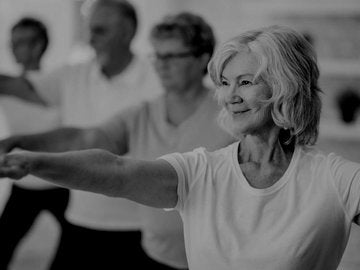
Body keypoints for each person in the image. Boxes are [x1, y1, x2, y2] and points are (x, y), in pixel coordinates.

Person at [2, 25, 359, 270]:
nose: (230, 96)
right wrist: (33, 161)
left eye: (246, 82)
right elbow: (117, 171)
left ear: (286, 87)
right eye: (225, 83)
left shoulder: (335, 178)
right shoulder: (201, 171)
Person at [0, 12, 234, 269]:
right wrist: (21, 144)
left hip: (215, 259)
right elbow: (87, 138)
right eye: (157, 55)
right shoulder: (142, 113)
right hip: (157, 254)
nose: (161, 64)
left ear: (202, 59)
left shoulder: (231, 113)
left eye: (172, 56)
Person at [1, 0, 162, 269]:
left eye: (100, 31)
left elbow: (90, 140)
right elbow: (19, 86)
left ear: (127, 32)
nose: (91, 40)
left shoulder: (156, 80)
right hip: (82, 219)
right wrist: (17, 143)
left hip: (138, 225)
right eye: (90, 30)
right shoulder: (73, 76)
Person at [0, 17, 67, 270]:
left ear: (38, 46)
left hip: (61, 182)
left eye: (20, 42)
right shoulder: (6, 86)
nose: (12, 48)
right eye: (12, 42)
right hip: (25, 182)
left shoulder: (61, 83)